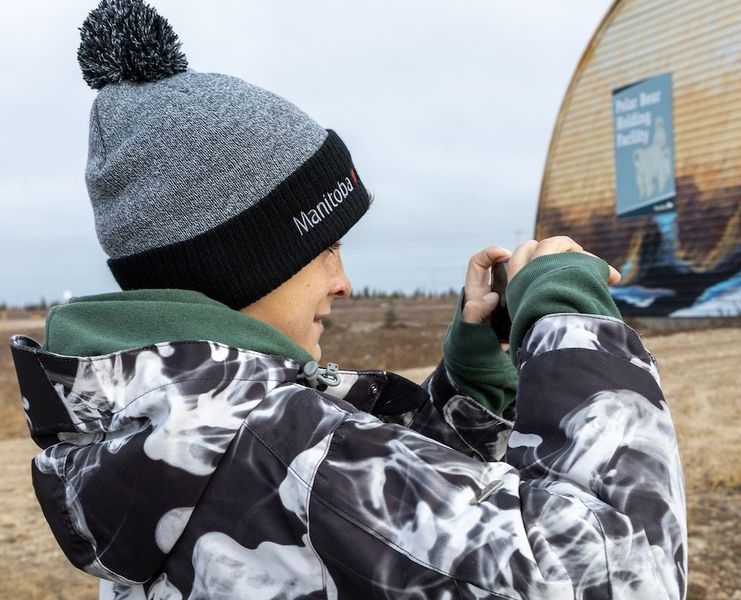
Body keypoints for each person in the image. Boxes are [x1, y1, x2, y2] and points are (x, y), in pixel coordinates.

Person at [10, 1, 687, 598]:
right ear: (239, 265)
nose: (344, 282)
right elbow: (624, 572)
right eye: (324, 248)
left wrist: (473, 385)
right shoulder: (281, 444)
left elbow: (380, 527)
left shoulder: (164, 428)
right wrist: (571, 322)